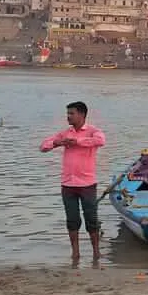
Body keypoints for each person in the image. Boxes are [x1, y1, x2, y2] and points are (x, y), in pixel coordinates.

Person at [40, 101, 106, 261]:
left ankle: (96, 252)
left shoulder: (93, 131)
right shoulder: (65, 133)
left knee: (91, 219)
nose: (68, 117)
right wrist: (57, 143)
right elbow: (43, 146)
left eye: (71, 113)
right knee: (72, 220)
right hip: (68, 184)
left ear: (82, 115)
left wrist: (78, 142)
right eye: (68, 113)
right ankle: (75, 253)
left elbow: (100, 141)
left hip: (87, 184)